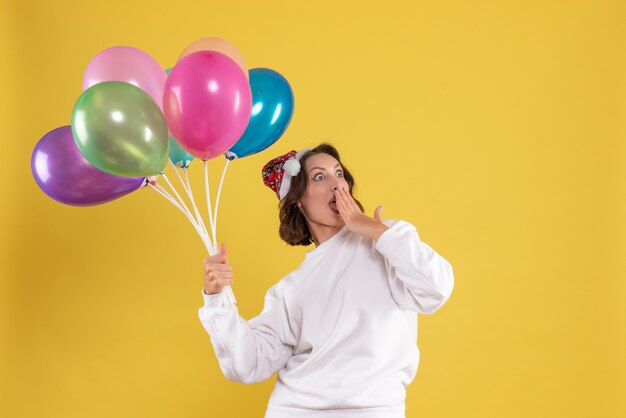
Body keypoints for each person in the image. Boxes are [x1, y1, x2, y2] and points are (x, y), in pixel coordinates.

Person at [198, 143, 454, 418]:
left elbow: (435, 288)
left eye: (340, 174)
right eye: (320, 177)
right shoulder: (289, 290)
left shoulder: (390, 237)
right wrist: (216, 298)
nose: (337, 185)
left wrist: (376, 231)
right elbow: (246, 364)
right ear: (297, 199)